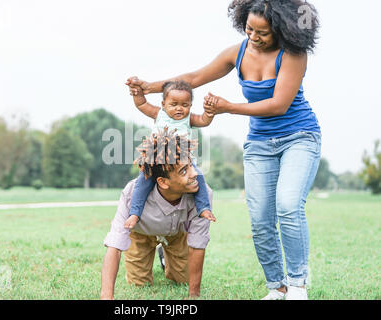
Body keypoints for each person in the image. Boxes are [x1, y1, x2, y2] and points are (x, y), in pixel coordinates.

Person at [126, 0, 321, 300]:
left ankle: (297, 286)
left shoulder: (293, 53)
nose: (254, 38)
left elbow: (278, 104)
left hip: (299, 136)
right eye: (249, 29)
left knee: (288, 206)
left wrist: (228, 108)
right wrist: (148, 87)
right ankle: (276, 287)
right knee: (259, 218)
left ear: (282, 29)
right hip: (259, 145)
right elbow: (191, 80)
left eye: (263, 33)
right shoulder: (238, 52)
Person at [100, 128, 213, 300]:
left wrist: (193, 295)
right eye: (184, 171)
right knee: (139, 283)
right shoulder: (132, 193)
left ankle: (164, 256)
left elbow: (198, 244)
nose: (195, 174)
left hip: (176, 234)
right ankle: (153, 252)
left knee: (183, 280)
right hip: (141, 234)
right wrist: (106, 297)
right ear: (163, 182)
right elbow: (114, 245)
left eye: (191, 165)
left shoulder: (201, 193)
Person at [124, 80, 216, 230]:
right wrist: (138, 94)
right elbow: (142, 105)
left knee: (199, 177)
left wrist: (209, 113)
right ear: (163, 104)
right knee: (142, 182)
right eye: (174, 104)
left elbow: (203, 120)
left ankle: (204, 208)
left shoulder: (189, 118)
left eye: (184, 105)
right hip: (157, 161)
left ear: (190, 106)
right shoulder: (159, 114)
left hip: (183, 163)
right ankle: (134, 213)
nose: (179, 109)